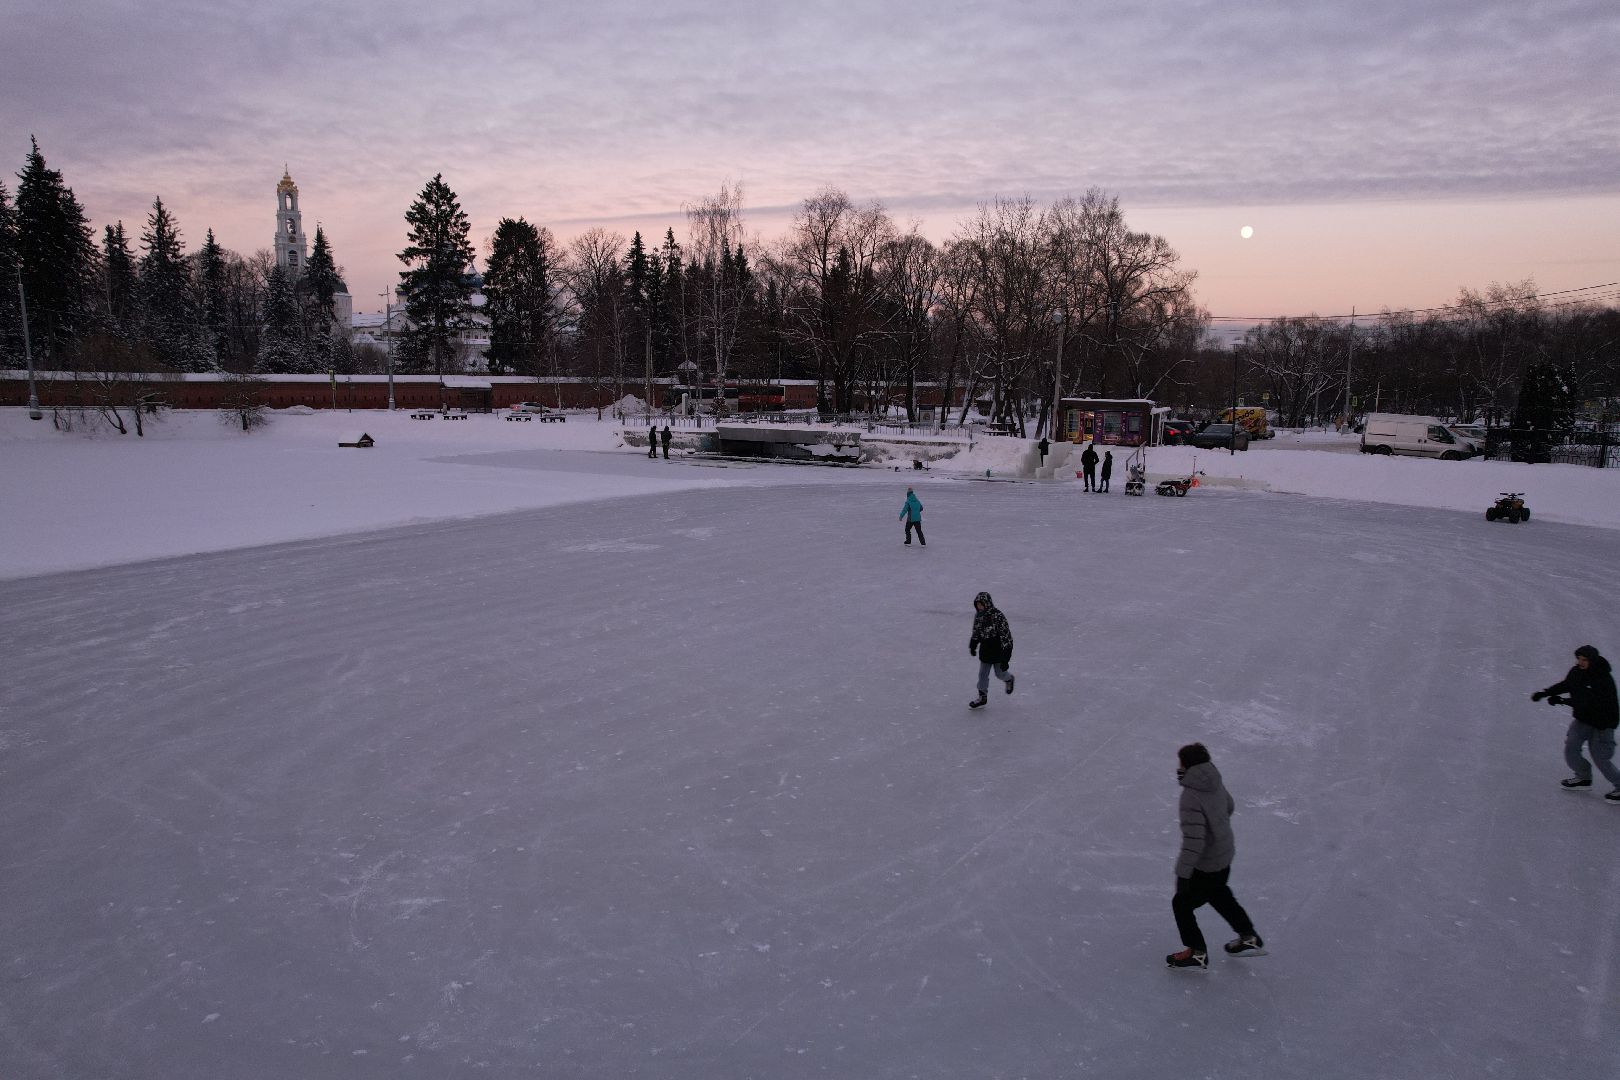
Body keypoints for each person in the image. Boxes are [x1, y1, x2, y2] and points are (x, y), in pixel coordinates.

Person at [1167, 742, 1264, 969]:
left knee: (1181, 904)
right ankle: (1249, 937)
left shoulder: (1191, 795)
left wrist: (1183, 874)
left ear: (1187, 765)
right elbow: (1229, 806)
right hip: (1225, 854)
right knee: (1219, 894)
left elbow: (1194, 841)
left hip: (1207, 864)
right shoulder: (1215, 781)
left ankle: (1196, 951)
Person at [1532, 645, 1620, 800]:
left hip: (1603, 722)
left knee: (1600, 756)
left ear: (1592, 660)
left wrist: (1562, 700)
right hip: (1584, 718)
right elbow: (1567, 684)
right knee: (1571, 747)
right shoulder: (1577, 672)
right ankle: (1583, 777)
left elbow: (1588, 701)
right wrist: (1545, 692)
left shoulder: (1602, 678)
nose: (1581, 662)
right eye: (1579, 659)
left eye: (1584, 660)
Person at [967, 591, 1014, 709]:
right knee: (982, 675)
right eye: (977, 605)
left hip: (998, 653)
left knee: (1000, 674)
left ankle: (1009, 679)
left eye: (981, 604)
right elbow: (976, 632)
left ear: (987, 603)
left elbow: (1006, 637)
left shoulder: (998, 616)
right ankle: (982, 697)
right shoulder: (979, 616)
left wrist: (1005, 658)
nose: (979, 607)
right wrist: (973, 645)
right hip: (986, 652)